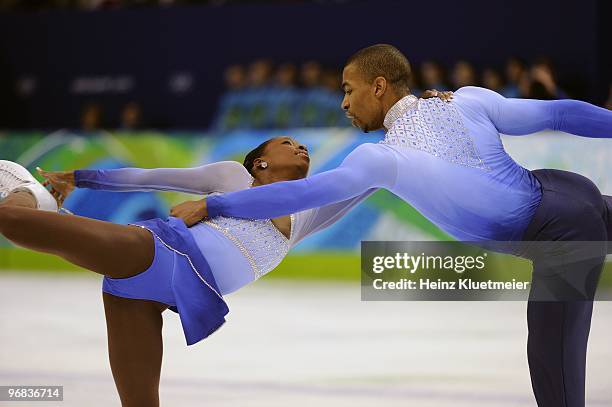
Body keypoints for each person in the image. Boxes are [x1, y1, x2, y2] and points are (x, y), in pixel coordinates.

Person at [179, 44, 612, 407]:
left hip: (560, 236)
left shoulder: (381, 158)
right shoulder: (468, 99)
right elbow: (558, 114)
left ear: (379, 86)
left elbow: (303, 195)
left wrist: (217, 206)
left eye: (348, 90)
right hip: (571, 193)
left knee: (555, 377)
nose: (344, 103)